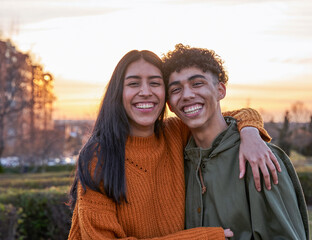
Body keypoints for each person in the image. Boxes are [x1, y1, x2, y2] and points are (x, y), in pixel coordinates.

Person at [67, 49, 278, 239]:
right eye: (133, 83)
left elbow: (229, 116)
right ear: (118, 93)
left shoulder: (175, 132)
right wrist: (202, 237)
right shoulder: (98, 157)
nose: (145, 91)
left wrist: (250, 132)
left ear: (166, 96)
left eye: (155, 83)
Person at [163, 44, 309, 240]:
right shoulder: (177, 161)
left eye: (197, 83)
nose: (187, 95)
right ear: (170, 105)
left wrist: (249, 130)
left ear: (220, 90)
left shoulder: (259, 158)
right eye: (176, 89)